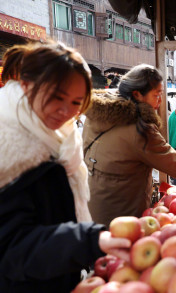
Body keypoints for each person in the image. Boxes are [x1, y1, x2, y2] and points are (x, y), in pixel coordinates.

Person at [0, 40, 130, 292]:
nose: (65, 111)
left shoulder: (58, 137)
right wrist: (89, 241)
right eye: (57, 97)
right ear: (26, 84)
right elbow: (11, 248)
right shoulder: (8, 146)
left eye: (76, 102)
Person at [82, 64, 176, 227]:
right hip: (123, 216)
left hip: (92, 208)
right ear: (137, 95)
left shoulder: (95, 116)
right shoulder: (139, 130)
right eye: (157, 95)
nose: (160, 101)